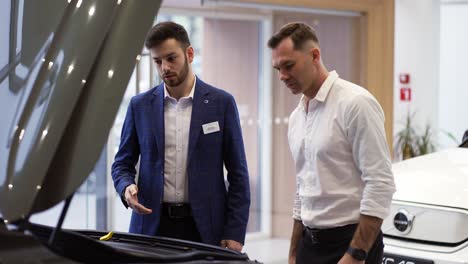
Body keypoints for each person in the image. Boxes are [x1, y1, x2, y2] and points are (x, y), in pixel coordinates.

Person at [111, 21, 250, 252]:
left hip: (204, 229)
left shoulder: (221, 103)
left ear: (190, 54)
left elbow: (238, 173)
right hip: (151, 226)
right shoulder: (140, 106)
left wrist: (234, 231)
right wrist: (126, 187)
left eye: (171, 58)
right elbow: (121, 164)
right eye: (157, 61)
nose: (165, 67)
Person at [268, 22, 396, 264]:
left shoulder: (355, 103)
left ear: (314, 55)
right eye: (277, 69)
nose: (283, 76)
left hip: (352, 244)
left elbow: (380, 183)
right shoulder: (297, 117)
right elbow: (302, 187)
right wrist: (294, 251)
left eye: (289, 65)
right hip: (310, 244)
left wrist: (356, 254)